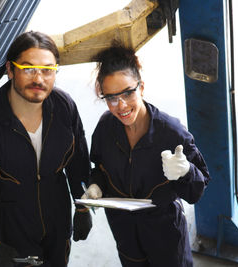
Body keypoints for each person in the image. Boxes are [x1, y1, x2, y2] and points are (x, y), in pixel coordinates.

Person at [0, 31, 92, 267]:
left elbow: (78, 160)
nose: (39, 79)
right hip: (10, 232)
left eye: (47, 70)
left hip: (57, 222)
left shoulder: (64, 107)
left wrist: (82, 206)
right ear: (10, 70)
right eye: (29, 68)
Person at [82, 44, 211, 267]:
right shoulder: (105, 128)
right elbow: (100, 169)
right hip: (124, 229)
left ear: (141, 87)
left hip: (165, 234)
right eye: (111, 97)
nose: (121, 105)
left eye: (128, 92)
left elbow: (196, 192)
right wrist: (96, 186)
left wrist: (186, 172)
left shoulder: (171, 132)